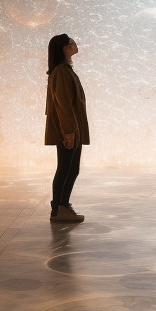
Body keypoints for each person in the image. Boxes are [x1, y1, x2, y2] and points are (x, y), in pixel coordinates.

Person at [44, 33, 90, 222]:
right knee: (66, 168)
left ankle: (60, 207)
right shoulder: (62, 72)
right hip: (68, 129)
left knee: (69, 168)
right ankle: (60, 208)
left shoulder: (64, 70)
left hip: (71, 127)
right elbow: (63, 104)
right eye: (70, 42)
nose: (74, 43)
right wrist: (69, 132)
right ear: (63, 48)